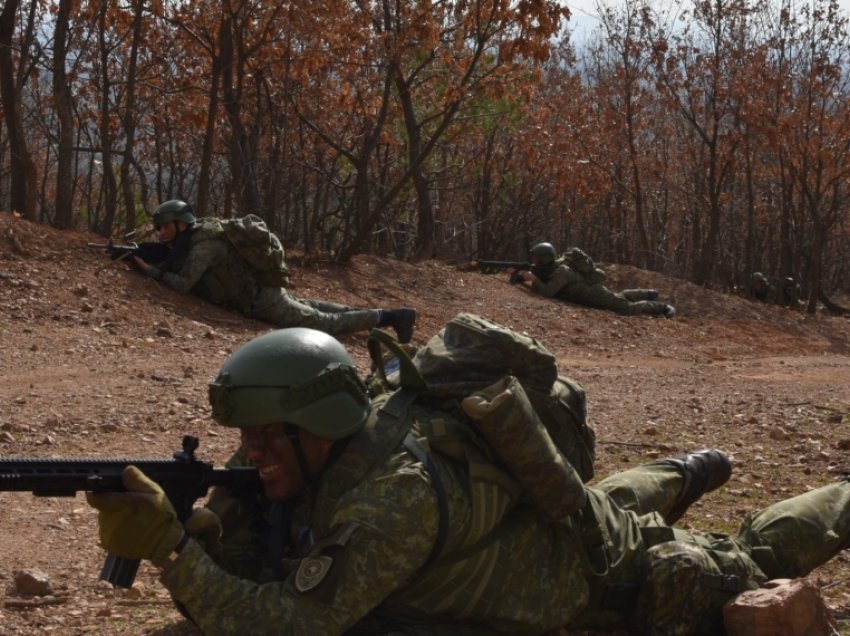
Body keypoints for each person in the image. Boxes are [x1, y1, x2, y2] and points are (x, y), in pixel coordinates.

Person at [86, 328, 850, 636]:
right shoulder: (352, 434)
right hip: (542, 523)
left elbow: (295, 622)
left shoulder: (395, 497)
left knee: (737, 555)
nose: (250, 454)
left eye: (264, 439)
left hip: (593, 572)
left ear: (316, 427)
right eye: (243, 439)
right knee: (612, 499)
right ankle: (683, 471)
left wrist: (174, 554)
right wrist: (215, 526)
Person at [130, 199, 416, 342]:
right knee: (312, 308)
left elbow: (183, 284)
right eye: (160, 228)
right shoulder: (197, 236)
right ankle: (368, 317)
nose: (162, 233)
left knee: (323, 324)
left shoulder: (205, 244)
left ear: (181, 224)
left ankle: (392, 317)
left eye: (166, 227)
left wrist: (150, 271)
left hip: (263, 300)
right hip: (263, 292)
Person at [516, 243, 676, 318]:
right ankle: (648, 293)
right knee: (618, 297)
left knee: (625, 308)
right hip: (595, 291)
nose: (534, 263)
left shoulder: (562, 271)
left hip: (596, 294)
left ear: (545, 259)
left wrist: (531, 278)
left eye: (537, 259)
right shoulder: (555, 268)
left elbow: (547, 292)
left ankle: (662, 307)